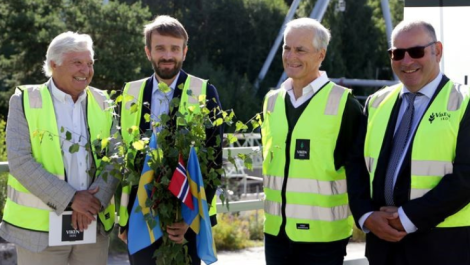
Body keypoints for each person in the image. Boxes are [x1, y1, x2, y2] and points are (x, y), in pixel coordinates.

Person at [347, 20, 470, 265]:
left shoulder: (463, 102)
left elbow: (466, 176)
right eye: (397, 53)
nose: (406, 61)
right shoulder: (375, 102)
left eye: (416, 51)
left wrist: (407, 217)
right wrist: (366, 215)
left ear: (438, 51)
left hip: (444, 246)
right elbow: (356, 165)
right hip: (383, 246)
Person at [0, 32, 120, 265]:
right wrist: (72, 199)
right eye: (77, 63)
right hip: (39, 233)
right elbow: (20, 161)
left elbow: (116, 156)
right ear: (53, 64)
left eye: (89, 63)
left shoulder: (104, 101)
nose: (86, 70)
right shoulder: (24, 100)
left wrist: (91, 204)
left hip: (92, 228)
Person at [118, 15, 223, 265]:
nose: (168, 55)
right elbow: (122, 157)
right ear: (148, 52)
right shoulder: (130, 93)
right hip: (140, 215)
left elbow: (215, 161)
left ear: (184, 52)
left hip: (186, 217)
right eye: (160, 48)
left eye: (174, 48)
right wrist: (124, 221)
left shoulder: (205, 92)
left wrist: (190, 217)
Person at [261, 17, 364, 265]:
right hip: (275, 235)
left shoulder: (344, 104)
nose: (291, 56)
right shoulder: (271, 102)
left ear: (321, 55)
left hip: (323, 241)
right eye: (287, 48)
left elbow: (360, 171)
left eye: (300, 50)